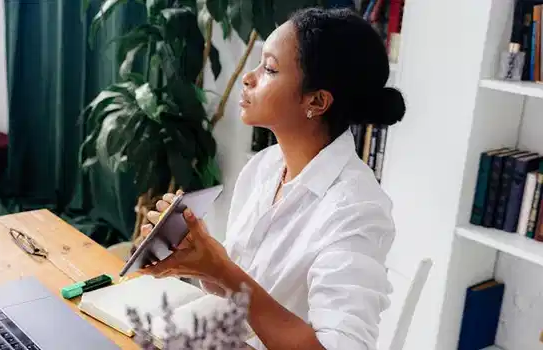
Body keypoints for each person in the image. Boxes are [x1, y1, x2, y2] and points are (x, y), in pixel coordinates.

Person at [135, 7, 406, 350]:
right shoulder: (263, 167)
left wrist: (221, 269)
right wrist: (199, 258)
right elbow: (244, 292)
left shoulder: (356, 209)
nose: (248, 78)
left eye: (270, 69)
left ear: (317, 101)